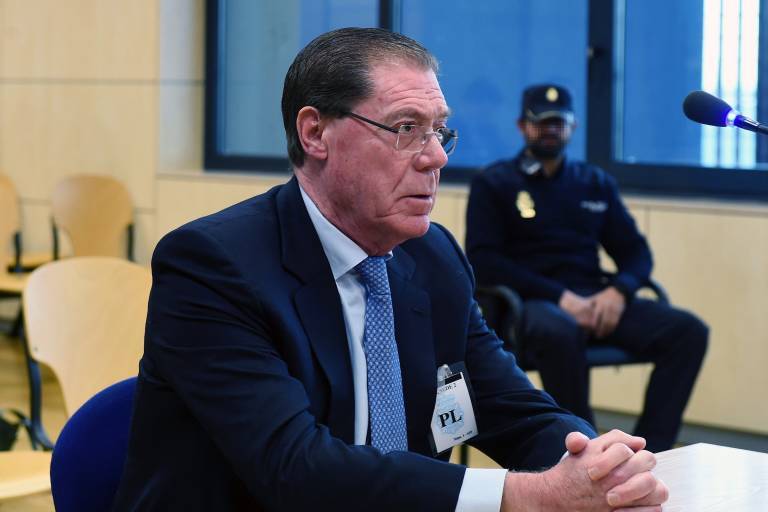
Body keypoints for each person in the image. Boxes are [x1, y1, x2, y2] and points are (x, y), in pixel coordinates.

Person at [113, 31, 667, 511]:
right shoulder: (213, 265)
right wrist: (523, 496)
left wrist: (596, 464)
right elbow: (295, 469)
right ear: (315, 134)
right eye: (406, 128)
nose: (436, 157)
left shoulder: (433, 257)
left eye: (439, 131)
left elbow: (512, 409)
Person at [466, 83, 709, 453]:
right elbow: (485, 262)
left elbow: (636, 253)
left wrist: (619, 292)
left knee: (688, 332)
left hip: (597, 302)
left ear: (573, 126)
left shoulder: (594, 182)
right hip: (530, 304)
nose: (550, 130)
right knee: (560, 330)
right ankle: (586, 449)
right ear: (522, 126)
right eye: (541, 122)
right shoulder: (495, 182)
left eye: (558, 122)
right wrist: (561, 298)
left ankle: (650, 450)